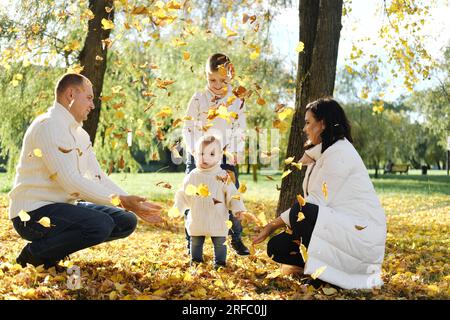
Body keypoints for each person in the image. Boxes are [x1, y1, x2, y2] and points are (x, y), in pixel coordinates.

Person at [8, 73, 163, 270]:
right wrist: (121, 200)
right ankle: (34, 255)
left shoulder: (80, 134)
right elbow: (70, 181)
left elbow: (97, 176)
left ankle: (52, 250)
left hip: (62, 207)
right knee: (100, 224)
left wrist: (132, 204)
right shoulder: (48, 126)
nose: (92, 105)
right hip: (31, 213)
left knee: (126, 220)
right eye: (89, 98)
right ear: (71, 94)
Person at [253, 98, 387, 289]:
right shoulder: (323, 153)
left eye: (308, 122)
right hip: (337, 226)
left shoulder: (340, 152)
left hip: (361, 235)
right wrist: (272, 227)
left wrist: (272, 225)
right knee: (277, 247)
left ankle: (325, 275)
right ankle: (319, 271)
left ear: (322, 124)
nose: (304, 128)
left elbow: (313, 203)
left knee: (302, 211)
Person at [182, 53, 250, 255]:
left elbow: (240, 127)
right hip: (199, 155)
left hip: (224, 155)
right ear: (206, 76)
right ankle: (191, 240)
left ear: (230, 78)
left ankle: (235, 237)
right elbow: (188, 126)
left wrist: (236, 150)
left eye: (223, 80)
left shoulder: (236, 101)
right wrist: (195, 150)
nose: (218, 85)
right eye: (212, 80)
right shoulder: (198, 98)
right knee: (193, 196)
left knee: (232, 196)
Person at [172, 135, 248, 268]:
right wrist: (177, 209)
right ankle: (196, 262)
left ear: (219, 157)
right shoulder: (192, 176)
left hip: (217, 218)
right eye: (201, 153)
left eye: (211, 154)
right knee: (195, 241)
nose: (205, 158)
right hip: (198, 218)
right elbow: (183, 194)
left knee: (220, 242)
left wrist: (238, 208)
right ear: (195, 155)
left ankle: (220, 263)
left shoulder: (223, 175)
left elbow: (233, 194)